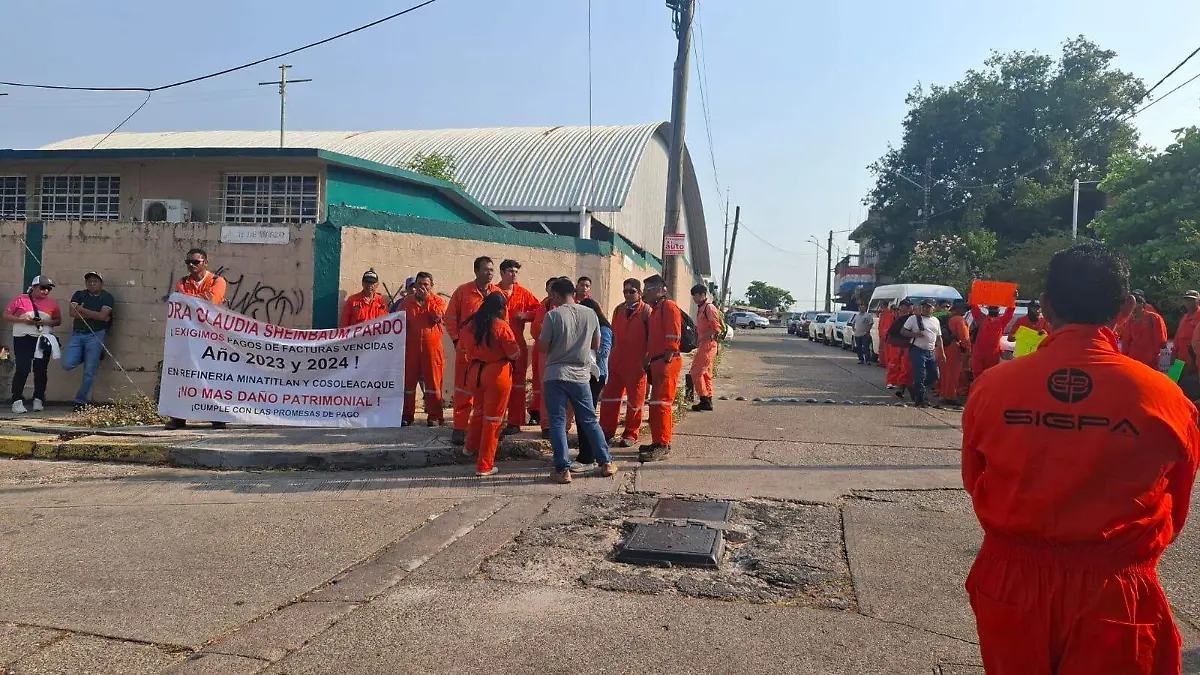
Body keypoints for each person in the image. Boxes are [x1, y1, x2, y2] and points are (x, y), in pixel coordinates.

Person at [962, 242, 1199, 674]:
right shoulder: (1166, 398)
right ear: (1127, 308)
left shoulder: (993, 387)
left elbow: (975, 477)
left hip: (1010, 581)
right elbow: (1176, 501)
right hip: (1113, 590)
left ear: (1047, 306)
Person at [539, 278, 616, 483]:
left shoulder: (552, 316)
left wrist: (560, 345)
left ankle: (563, 469)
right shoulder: (590, 314)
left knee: (557, 421)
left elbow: (543, 347)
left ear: (555, 295)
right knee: (589, 419)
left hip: (556, 374)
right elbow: (596, 344)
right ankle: (606, 462)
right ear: (573, 292)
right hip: (581, 375)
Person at [460, 291, 521, 477]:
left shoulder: (470, 325)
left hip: (475, 372)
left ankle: (469, 448)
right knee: (493, 420)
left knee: (478, 411)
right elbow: (514, 353)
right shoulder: (501, 326)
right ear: (502, 309)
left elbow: (462, 347)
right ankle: (484, 465)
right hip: (497, 374)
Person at [168, 250, 227, 430]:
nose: (191, 265)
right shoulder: (183, 282)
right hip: (188, 337)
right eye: (188, 262)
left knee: (211, 375)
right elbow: (180, 300)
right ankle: (178, 416)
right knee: (184, 375)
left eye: (195, 261)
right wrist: (192, 300)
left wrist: (190, 299)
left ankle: (216, 416)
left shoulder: (217, 281)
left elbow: (210, 301)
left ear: (205, 263)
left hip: (211, 336)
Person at [445, 257, 500, 446]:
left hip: (489, 354)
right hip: (466, 351)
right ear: (476, 271)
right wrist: (456, 340)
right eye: (486, 270)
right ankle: (459, 428)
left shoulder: (497, 294)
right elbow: (450, 318)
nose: (490, 273)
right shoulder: (463, 292)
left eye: (492, 270)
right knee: (462, 390)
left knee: (485, 392)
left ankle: (480, 429)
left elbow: (504, 321)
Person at [599, 278, 652, 447]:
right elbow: (613, 334)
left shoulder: (646, 312)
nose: (628, 295)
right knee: (610, 399)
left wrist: (647, 360)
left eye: (632, 291)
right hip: (616, 362)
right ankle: (606, 431)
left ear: (640, 293)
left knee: (635, 401)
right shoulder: (618, 310)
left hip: (636, 363)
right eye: (625, 292)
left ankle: (631, 433)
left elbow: (652, 338)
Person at [496, 260, 542, 435]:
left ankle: (514, 423)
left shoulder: (523, 293)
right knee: (498, 385)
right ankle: (496, 421)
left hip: (517, 344)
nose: (513, 274)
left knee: (518, 385)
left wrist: (527, 315)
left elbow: (539, 310)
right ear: (501, 273)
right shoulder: (494, 292)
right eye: (510, 271)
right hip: (497, 346)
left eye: (516, 271)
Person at [4, 276, 62, 414]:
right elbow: (6, 316)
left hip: (42, 338)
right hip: (23, 338)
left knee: (41, 370)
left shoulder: (52, 303)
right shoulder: (20, 299)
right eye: (42, 288)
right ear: (34, 287)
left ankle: (38, 398)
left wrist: (44, 322)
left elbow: (58, 321)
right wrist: (22, 320)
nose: (45, 291)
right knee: (23, 368)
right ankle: (17, 399)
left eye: (48, 289)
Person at [640, 275, 682, 463]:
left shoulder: (668, 306)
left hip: (666, 361)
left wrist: (667, 358)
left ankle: (663, 444)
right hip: (658, 361)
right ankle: (658, 441)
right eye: (645, 289)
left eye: (648, 289)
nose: (644, 293)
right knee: (656, 404)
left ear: (662, 290)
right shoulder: (655, 310)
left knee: (662, 404)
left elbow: (673, 334)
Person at [396, 272, 446, 427]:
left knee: (433, 384)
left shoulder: (439, 301)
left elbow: (438, 317)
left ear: (431, 286)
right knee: (408, 384)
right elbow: (398, 322)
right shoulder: (406, 302)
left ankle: (434, 416)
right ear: (415, 285)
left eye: (426, 285)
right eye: (419, 284)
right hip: (412, 349)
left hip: (432, 349)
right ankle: (407, 416)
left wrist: (428, 300)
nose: (422, 287)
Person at [63, 272, 115, 411]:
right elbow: (72, 313)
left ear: (101, 283)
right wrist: (94, 315)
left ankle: (80, 401)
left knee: (89, 371)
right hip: (78, 334)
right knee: (67, 364)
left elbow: (103, 316)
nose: (92, 284)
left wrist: (81, 309)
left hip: (95, 335)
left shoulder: (106, 297)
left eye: (95, 281)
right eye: (89, 281)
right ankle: (90, 354)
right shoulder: (79, 294)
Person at [572, 298, 613, 471]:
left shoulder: (604, 329)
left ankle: (588, 457)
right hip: (585, 374)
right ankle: (588, 454)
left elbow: (604, 352)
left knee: (586, 416)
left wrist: (586, 343)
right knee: (583, 416)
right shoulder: (588, 328)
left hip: (597, 376)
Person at [900, 299, 944, 408]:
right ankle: (921, 400)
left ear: (933, 308)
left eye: (928, 307)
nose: (925, 309)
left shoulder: (935, 320)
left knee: (935, 375)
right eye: (923, 306)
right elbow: (903, 331)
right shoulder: (914, 318)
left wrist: (942, 352)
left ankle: (915, 387)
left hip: (930, 351)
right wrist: (915, 334)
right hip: (917, 350)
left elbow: (939, 338)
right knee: (920, 375)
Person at [528, 277, 557, 428]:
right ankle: (539, 415)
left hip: (558, 351)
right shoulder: (544, 304)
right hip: (542, 349)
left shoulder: (566, 307)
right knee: (539, 383)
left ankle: (556, 423)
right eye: (550, 287)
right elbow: (536, 324)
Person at [689, 284, 721, 411]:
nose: (694, 299)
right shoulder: (702, 308)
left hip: (708, 344)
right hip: (705, 344)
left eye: (695, 296)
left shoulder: (709, 308)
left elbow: (716, 328)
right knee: (706, 373)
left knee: (696, 372)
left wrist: (703, 338)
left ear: (702, 294)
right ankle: (708, 399)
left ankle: (704, 399)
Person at [1120, 291, 1169, 369]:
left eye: (1135, 304)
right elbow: (1126, 342)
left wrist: (1162, 362)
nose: (1132, 307)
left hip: (1152, 363)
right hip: (1134, 362)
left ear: (1142, 304)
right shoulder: (1130, 320)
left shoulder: (1154, 318)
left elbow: (1161, 342)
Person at [937, 301, 972, 406]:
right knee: (953, 374)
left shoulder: (947, 318)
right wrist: (968, 350)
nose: (966, 311)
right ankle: (950, 397)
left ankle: (943, 394)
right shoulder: (959, 320)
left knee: (945, 373)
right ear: (958, 309)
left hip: (943, 347)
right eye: (964, 309)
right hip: (953, 348)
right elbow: (965, 338)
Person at [970, 303, 1014, 378]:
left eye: (995, 308)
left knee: (990, 377)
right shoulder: (981, 318)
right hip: (978, 354)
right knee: (977, 378)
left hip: (993, 355)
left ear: (999, 310)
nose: (994, 310)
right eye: (992, 308)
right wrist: (972, 294)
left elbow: (1009, 313)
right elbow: (974, 307)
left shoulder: (1002, 321)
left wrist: (1012, 300)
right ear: (988, 309)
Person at [885, 300, 916, 399]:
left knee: (905, 364)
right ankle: (891, 381)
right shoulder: (895, 316)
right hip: (896, 343)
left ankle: (901, 384)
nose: (908, 308)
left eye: (909, 306)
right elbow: (889, 329)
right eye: (906, 306)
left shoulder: (912, 317)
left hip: (907, 343)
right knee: (894, 362)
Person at [1175, 290, 1199, 377]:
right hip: (1179, 362)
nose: (1188, 302)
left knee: (1191, 389)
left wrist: (1194, 361)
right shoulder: (1185, 317)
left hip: (1194, 364)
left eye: (1191, 300)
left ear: (1198, 300)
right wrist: (1174, 353)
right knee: (1173, 385)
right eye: (1186, 299)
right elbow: (1178, 337)